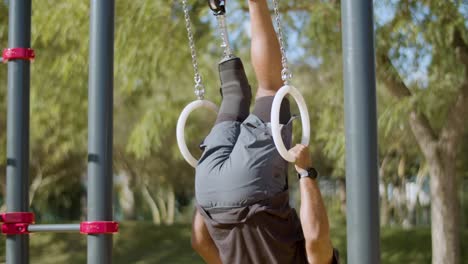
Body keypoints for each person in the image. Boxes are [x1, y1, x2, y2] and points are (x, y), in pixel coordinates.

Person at [191, 0, 338, 263]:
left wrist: (306, 172)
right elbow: (200, 242)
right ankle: (218, 11)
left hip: (253, 188)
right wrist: (211, 199)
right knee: (235, 97)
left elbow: (315, 240)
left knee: (271, 88)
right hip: (208, 192)